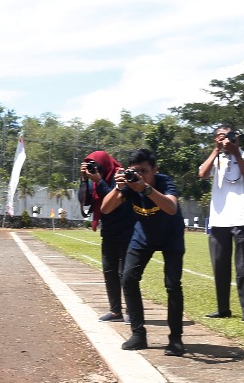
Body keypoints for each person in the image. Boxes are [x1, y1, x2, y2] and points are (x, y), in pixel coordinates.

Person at [102, 149, 187, 356]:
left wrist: (146, 188)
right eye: (135, 170)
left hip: (171, 235)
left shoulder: (164, 182)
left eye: (144, 171)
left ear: (154, 170)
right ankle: (138, 334)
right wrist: (118, 187)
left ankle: (175, 339)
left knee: (172, 284)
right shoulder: (129, 185)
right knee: (128, 278)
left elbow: (171, 207)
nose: (139, 174)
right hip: (144, 235)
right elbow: (105, 208)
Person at [199, 126, 244, 321]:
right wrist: (216, 150)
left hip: (242, 217)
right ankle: (223, 308)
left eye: (229, 136)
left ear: (236, 138)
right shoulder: (216, 158)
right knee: (220, 267)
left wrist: (235, 153)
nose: (225, 140)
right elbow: (202, 174)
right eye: (220, 137)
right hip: (219, 219)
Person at [78, 151, 134, 323]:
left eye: (95, 165)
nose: (94, 168)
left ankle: (132, 311)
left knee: (125, 274)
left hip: (127, 231)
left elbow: (114, 200)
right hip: (109, 232)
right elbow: (85, 202)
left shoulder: (120, 175)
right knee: (109, 272)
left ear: (104, 164)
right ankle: (116, 312)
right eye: (90, 165)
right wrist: (84, 180)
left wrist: (98, 181)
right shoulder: (95, 180)